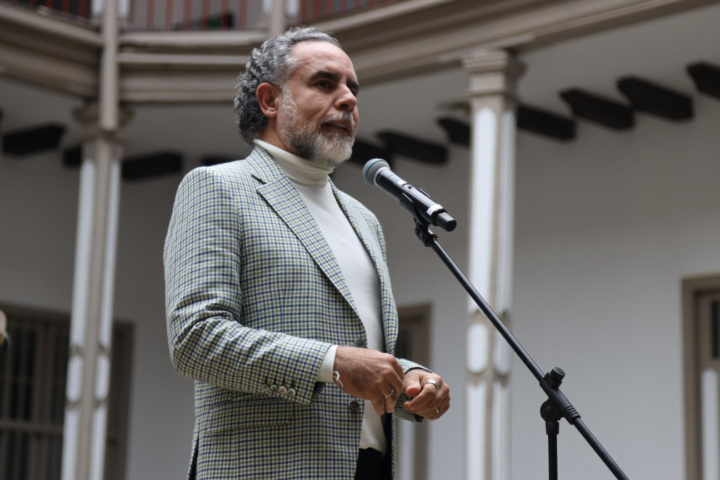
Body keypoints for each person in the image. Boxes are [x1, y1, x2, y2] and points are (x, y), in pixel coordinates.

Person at [164, 26, 451, 480]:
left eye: (353, 89)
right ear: (270, 100)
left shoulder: (364, 219)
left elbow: (358, 353)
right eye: (324, 83)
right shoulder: (218, 188)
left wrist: (410, 378)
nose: (348, 99)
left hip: (368, 467)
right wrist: (333, 362)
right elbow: (195, 338)